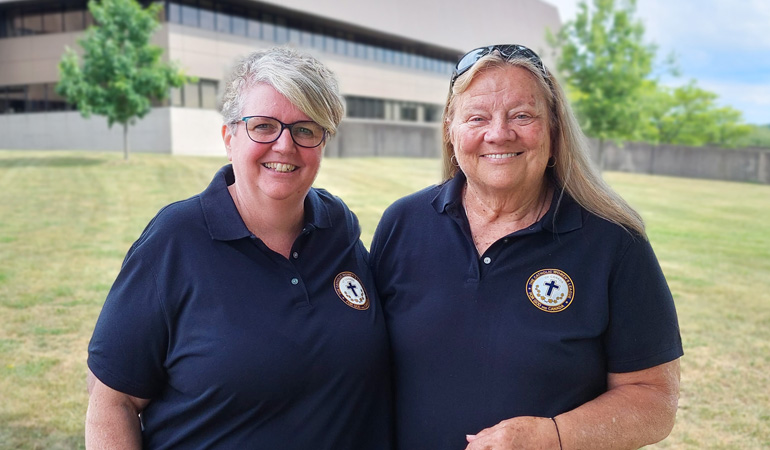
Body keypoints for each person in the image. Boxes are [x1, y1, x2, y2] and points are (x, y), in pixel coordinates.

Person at [370, 44, 683, 450]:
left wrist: (553, 437)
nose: (499, 133)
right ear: (451, 128)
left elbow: (654, 399)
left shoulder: (614, 242)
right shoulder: (404, 223)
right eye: (477, 117)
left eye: (522, 115)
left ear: (553, 128)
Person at [86, 47, 392, 449]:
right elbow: (112, 400)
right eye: (263, 126)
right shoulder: (175, 240)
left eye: (305, 129)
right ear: (229, 137)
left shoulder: (337, 226)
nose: (285, 145)